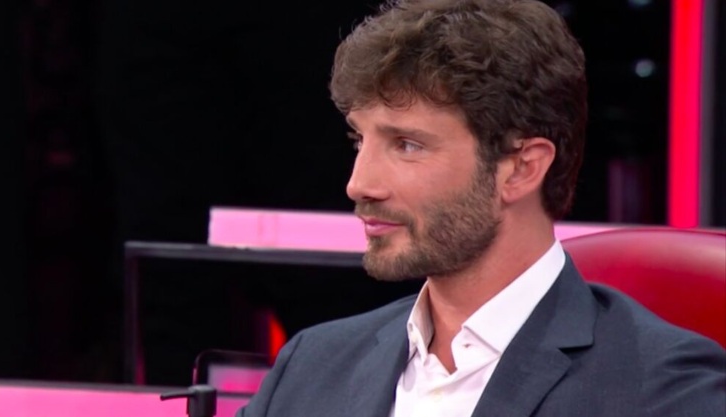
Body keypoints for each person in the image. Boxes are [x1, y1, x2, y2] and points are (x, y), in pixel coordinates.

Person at [236, 0, 726, 415]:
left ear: (521, 169)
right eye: (359, 141)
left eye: (407, 145)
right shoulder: (310, 365)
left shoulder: (663, 390)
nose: (359, 184)